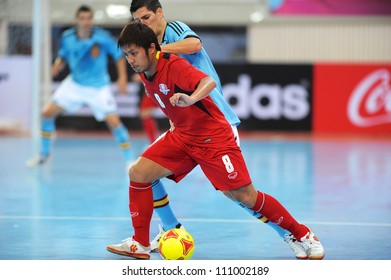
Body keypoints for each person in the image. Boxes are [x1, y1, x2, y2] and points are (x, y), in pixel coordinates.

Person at [106, 22, 325, 260]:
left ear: (151, 49)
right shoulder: (145, 73)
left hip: (214, 138)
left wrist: (191, 99)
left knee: (244, 196)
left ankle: (302, 234)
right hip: (182, 136)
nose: (130, 59)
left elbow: (208, 82)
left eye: (134, 53)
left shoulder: (173, 64)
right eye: (126, 54)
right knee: (139, 173)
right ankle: (140, 242)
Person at [26, 5, 133, 168]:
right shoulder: (67, 37)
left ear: (92, 20)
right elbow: (62, 56)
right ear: (77, 20)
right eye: (82, 18)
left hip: (98, 87)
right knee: (47, 113)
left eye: (88, 18)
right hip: (74, 84)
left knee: (115, 122)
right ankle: (43, 155)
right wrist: (57, 64)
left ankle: (130, 161)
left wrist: (122, 78)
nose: (85, 22)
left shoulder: (101, 37)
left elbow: (118, 55)